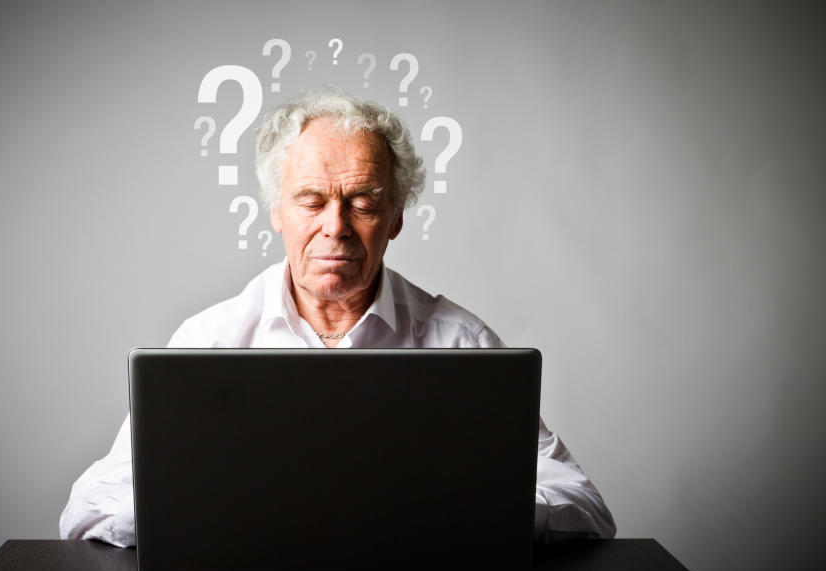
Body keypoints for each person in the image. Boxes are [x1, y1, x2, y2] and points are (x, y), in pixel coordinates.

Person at [59, 89, 616, 547]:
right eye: (310, 200)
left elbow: (585, 507)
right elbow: (87, 508)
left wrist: (461, 518)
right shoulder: (208, 341)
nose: (336, 226)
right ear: (276, 211)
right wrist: (214, 514)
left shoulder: (461, 344)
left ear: (396, 218)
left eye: (364, 203)